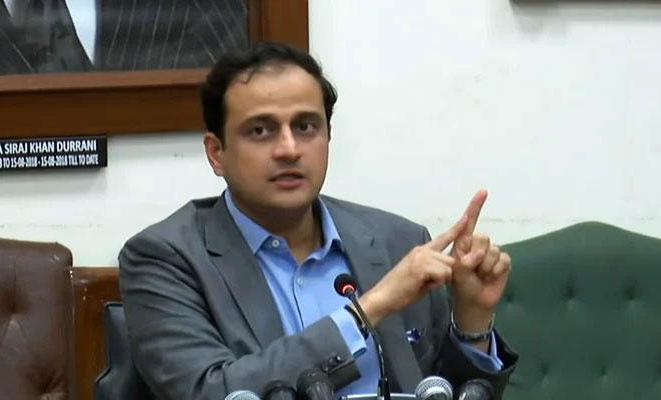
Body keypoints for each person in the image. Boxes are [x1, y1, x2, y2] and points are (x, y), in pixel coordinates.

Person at [118, 42, 519, 400]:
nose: (289, 149)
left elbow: (442, 391)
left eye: (306, 127)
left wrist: (471, 320)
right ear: (216, 153)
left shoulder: (398, 240)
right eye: (260, 130)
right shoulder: (164, 258)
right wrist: (369, 309)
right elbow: (209, 392)